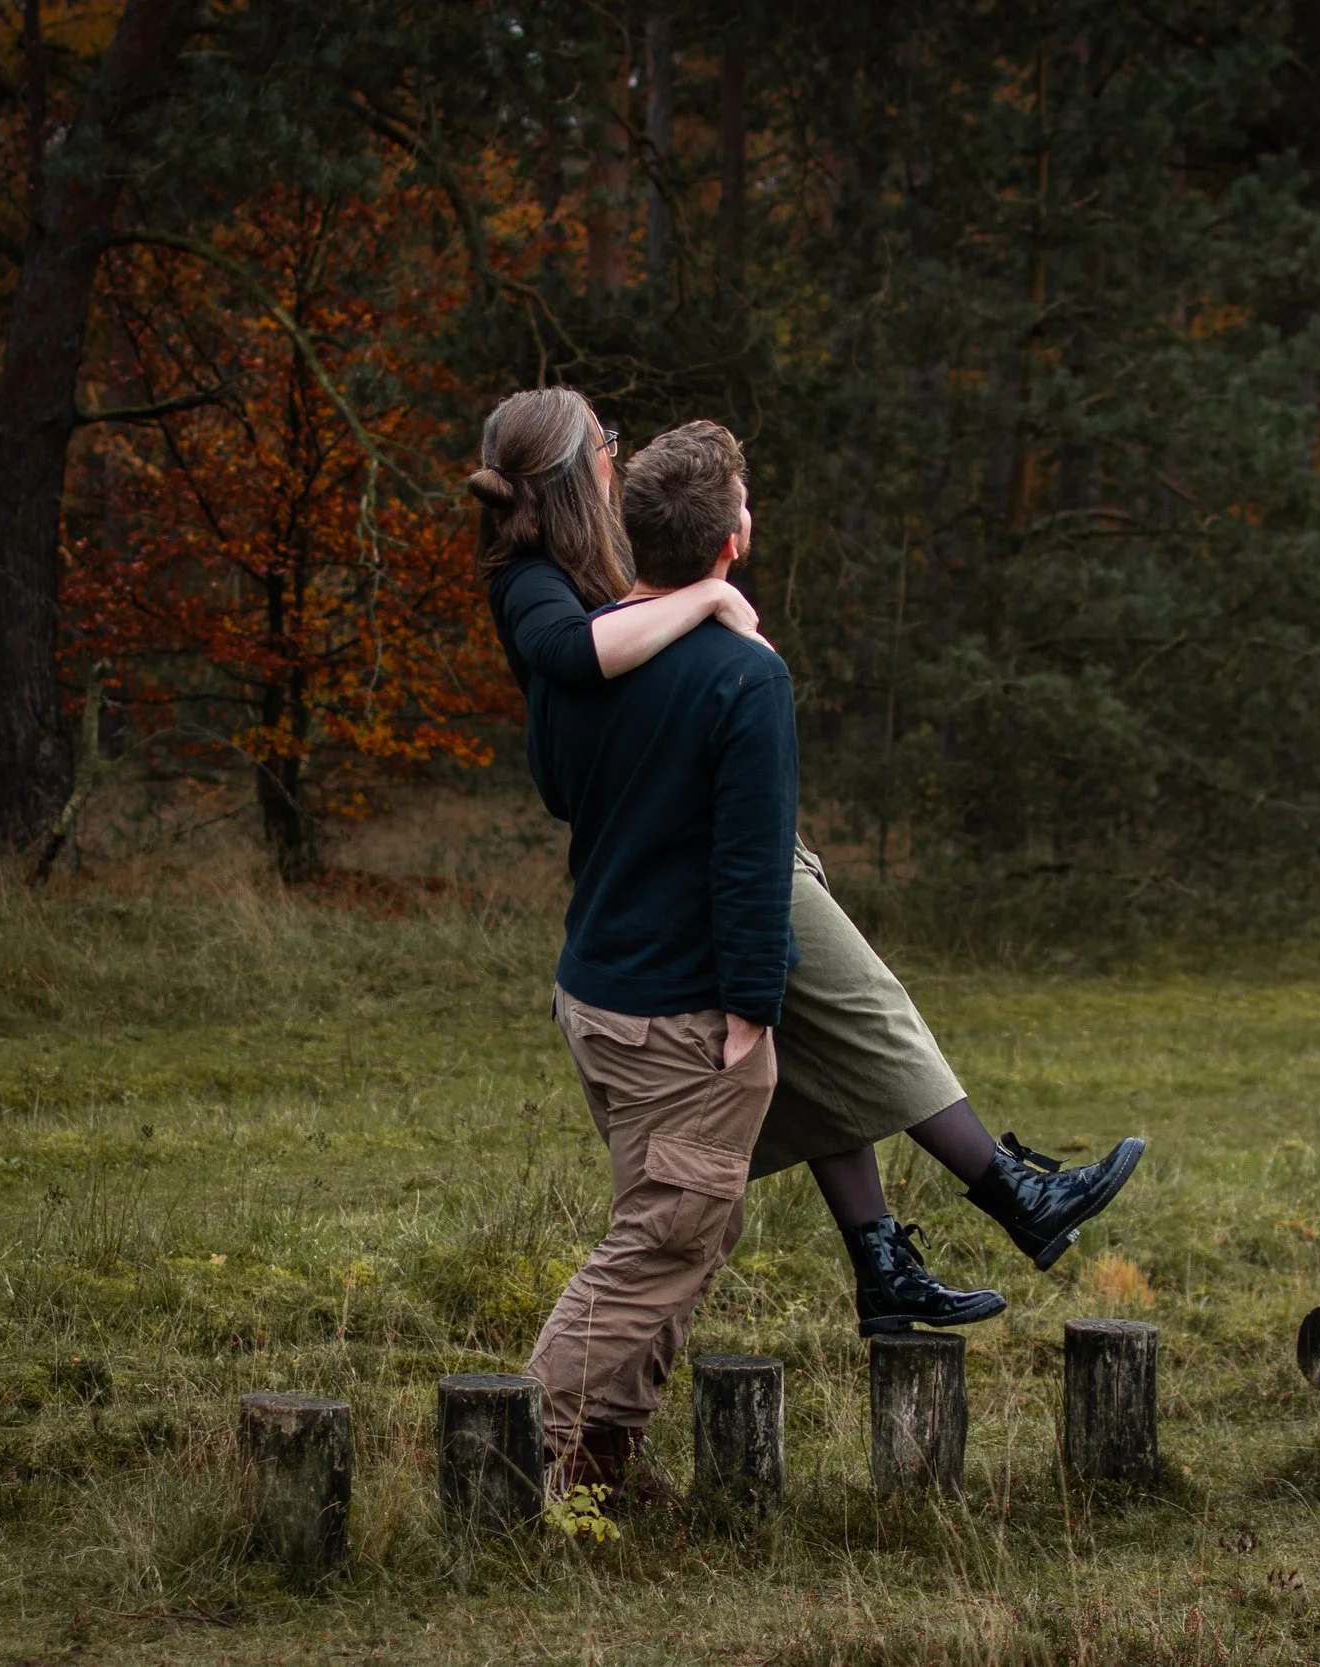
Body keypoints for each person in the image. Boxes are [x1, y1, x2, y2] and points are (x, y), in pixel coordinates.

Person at [485, 404, 1146, 1346]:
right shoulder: (542, 585)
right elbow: (573, 664)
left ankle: (882, 1255)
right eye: (607, 444)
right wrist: (712, 604)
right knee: (869, 1009)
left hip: (677, 858)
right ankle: (1009, 1190)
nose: (617, 453)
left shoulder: (597, 571)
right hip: (712, 856)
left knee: (825, 1040)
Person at [473, 393, 796, 1496]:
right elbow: (753, 861)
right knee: (665, 1234)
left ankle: (606, 1455)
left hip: (595, 991)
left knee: (676, 1226)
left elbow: (564, 789)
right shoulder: (740, 675)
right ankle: (508, 1456)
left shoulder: (579, 662)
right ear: (729, 540)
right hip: (682, 1005)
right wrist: (753, 1008)